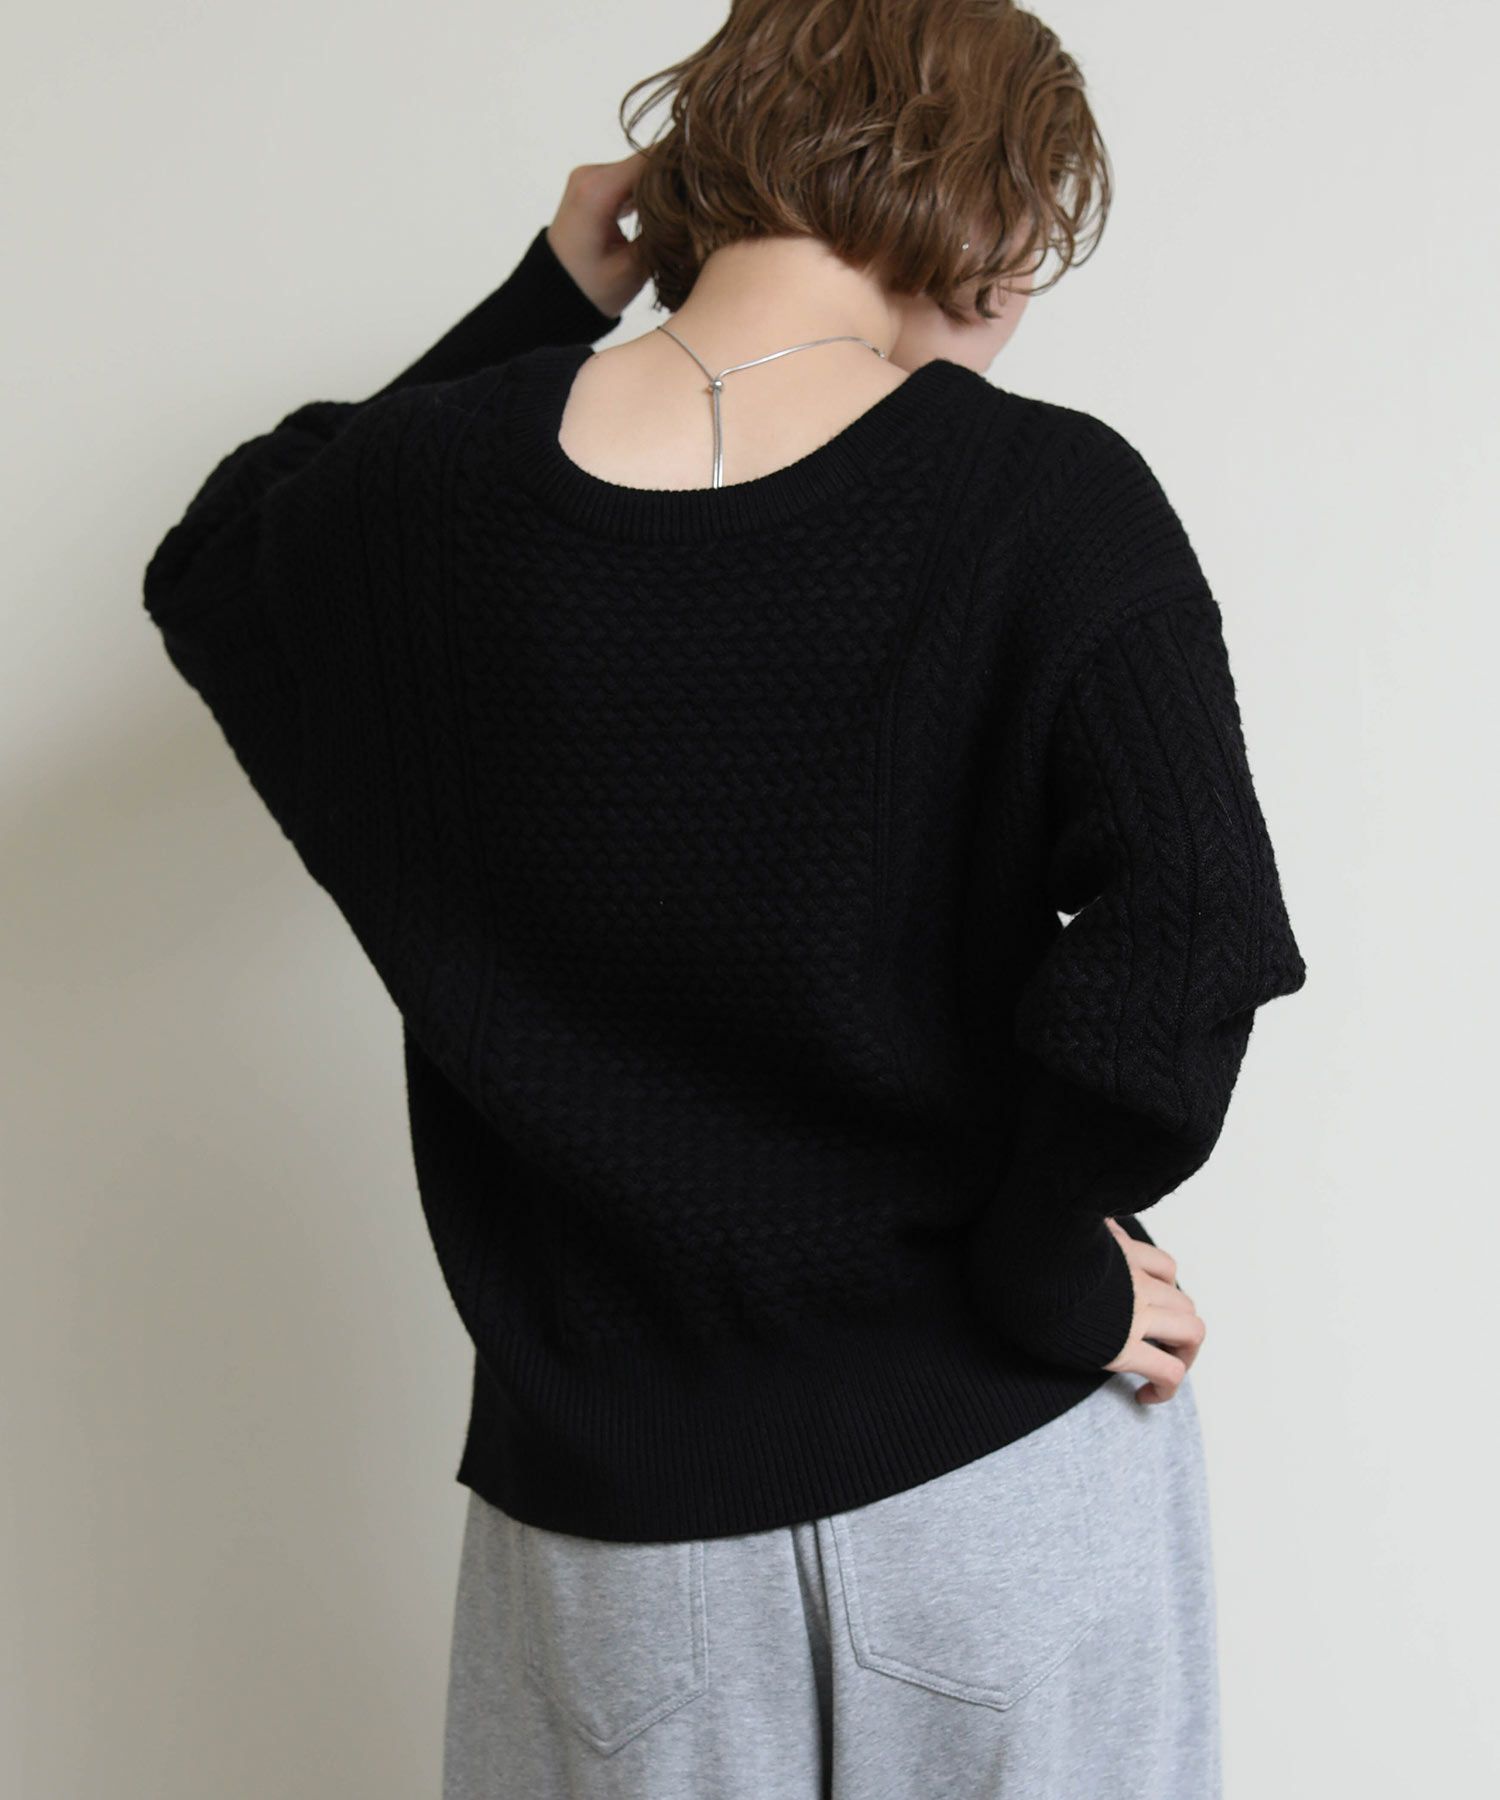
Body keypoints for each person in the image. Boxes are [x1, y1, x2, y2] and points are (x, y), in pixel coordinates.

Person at [140, 2, 1308, 1794]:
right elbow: (1197, 925)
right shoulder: (1047, 495)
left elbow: (217, 569)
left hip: (619, 1531)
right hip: (994, 1472)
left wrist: (551, 292)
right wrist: (1041, 1270)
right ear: (987, 208)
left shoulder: (422, 501)